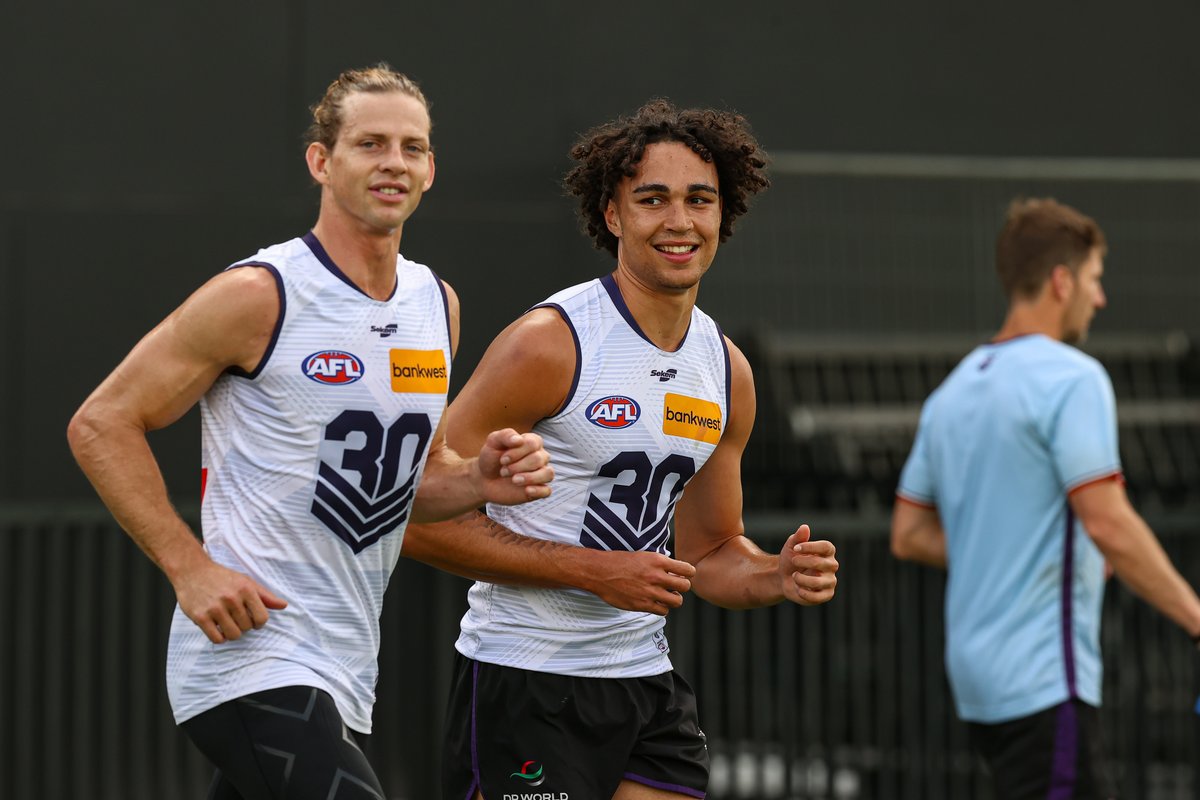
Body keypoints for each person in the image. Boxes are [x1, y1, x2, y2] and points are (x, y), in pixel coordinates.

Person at [66, 64, 553, 800]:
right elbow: (101, 423)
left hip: (344, 662)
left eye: (412, 147)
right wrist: (189, 568)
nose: (394, 162)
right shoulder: (259, 293)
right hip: (249, 658)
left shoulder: (435, 303)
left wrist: (478, 481)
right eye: (370, 143)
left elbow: (405, 489)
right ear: (321, 162)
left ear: (430, 169)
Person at [401, 99, 840, 800]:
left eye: (700, 200)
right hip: (527, 679)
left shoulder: (727, 370)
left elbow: (709, 552)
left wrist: (774, 576)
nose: (679, 221)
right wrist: (591, 572)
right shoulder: (549, 343)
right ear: (612, 216)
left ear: (723, 216)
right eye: (653, 199)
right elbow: (412, 518)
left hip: (643, 680)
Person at [890, 197, 1200, 799]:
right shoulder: (1073, 378)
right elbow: (1108, 523)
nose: (1099, 298)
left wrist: (1009, 553)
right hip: (1044, 682)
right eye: (1094, 279)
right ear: (1062, 282)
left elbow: (909, 534)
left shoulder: (952, 392)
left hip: (979, 689)